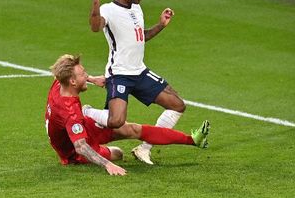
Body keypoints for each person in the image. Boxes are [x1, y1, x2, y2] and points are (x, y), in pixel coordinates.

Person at [82, 0, 186, 165]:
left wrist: (161, 25)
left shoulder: (137, 9)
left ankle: (144, 148)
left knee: (177, 105)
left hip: (140, 72)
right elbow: (95, 27)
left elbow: (141, 36)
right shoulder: (108, 9)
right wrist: (95, 1)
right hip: (119, 74)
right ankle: (87, 111)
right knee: (116, 121)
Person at [45, 54, 210, 176]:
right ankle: (92, 120)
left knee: (131, 129)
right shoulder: (70, 112)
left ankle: (192, 140)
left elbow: (62, 72)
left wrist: (92, 79)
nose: (86, 75)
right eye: (83, 74)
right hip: (73, 152)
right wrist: (107, 165)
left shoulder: (59, 83)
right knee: (118, 153)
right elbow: (80, 147)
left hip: (81, 126)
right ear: (72, 82)